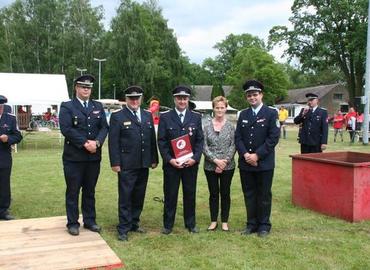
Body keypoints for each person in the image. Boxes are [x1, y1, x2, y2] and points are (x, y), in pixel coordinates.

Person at [59, 74, 108, 236]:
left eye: (88, 87)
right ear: (76, 88)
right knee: (73, 191)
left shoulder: (98, 106)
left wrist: (98, 143)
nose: (86, 89)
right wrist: (86, 143)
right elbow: (66, 129)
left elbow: (104, 128)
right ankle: (73, 223)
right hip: (74, 158)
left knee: (90, 190)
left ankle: (90, 221)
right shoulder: (67, 106)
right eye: (83, 87)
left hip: (93, 158)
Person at [108, 86, 158, 241]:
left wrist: (154, 158)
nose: (134, 101)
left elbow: (151, 139)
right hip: (126, 163)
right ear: (127, 99)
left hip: (143, 163)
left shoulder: (147, 115)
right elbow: (113, 142)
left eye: (137, 98)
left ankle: (134, 223)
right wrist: (115, 162)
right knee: (125, 196)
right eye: (131, 98)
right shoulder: (118, 116)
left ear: (141, 99)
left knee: (139, 195)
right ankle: (123, 227)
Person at [235, 80, 280, 237]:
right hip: (246, 163)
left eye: (255, 94)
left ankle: (264, 225)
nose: (252, 97)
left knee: (264, 194)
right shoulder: (243, 114)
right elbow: (238, 138)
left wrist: (257, 155)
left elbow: (273, 138)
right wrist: (246, 155)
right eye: (249, 95)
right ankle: (251, 224)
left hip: (264, 163)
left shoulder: (271, 113)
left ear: (261, 95)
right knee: (249, 194)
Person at [157, 85, 204, 234]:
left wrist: (195, 159)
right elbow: (162, 141)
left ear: (188, 99)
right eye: (179, 98)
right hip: (172, 164)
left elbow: (199, 141)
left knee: (190, 194)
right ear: (174, 99)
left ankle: (190, 223)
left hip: (190, 164)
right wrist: (170, 160)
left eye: (185, 98)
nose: (182, 101)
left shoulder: (196, 117)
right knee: (170, 194)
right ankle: (168, 225)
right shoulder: (165, 117)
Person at [202, 96, 235, 232]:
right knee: (213, 194)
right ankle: (214, 220)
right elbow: (204, 146)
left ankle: (225, 221)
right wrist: (215, 161)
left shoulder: (231, 126)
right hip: (210, 166)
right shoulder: (207, 126)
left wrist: (224, 162)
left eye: (222, 107)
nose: (220, 110)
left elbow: (233, 145)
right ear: (213, 108)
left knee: (225, 193)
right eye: (217, 107)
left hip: (228, 166)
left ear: (226, 108)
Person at [0, 95, 22, 220]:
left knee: (4, 183)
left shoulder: (10, 118)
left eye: (0, 107)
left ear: (3, 107)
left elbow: (18, 136)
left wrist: (8, 139)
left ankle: (3, 210)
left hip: (3, 155)